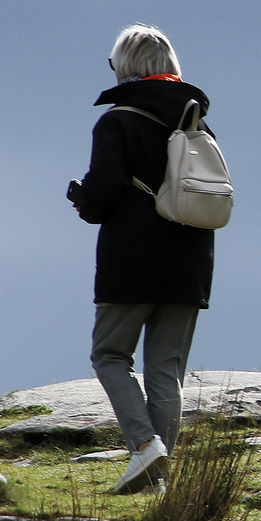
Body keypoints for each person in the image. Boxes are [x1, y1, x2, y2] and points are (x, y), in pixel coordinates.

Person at [68, 25, 215, 494]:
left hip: (131, 258)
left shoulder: (118, 120)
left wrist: (81, 198)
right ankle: (158, 483)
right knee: (165, 371)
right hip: (190, 258)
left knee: (110, 355)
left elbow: (104, 195)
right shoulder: (198, 121)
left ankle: (144, 446)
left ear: (125, 67)